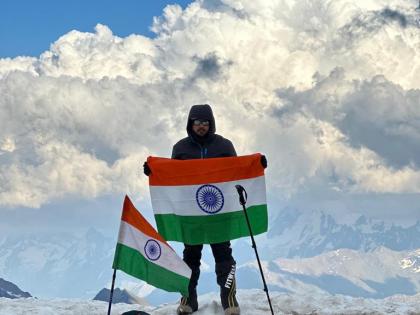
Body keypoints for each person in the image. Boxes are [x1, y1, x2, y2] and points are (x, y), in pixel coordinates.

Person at [143, 104, 267, 315]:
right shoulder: (180, 148)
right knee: (190, 257)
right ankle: (188, 300)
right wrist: (153, 172)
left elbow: (237, 172)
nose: (201, 126)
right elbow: (174, 178)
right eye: (197, 122)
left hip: (219, 214)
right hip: (191, 216)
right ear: (190, 124)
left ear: (211, 124)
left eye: (205, 122)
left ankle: (229, 300)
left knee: (224, 256)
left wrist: (257, 165)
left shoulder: (224, 146)